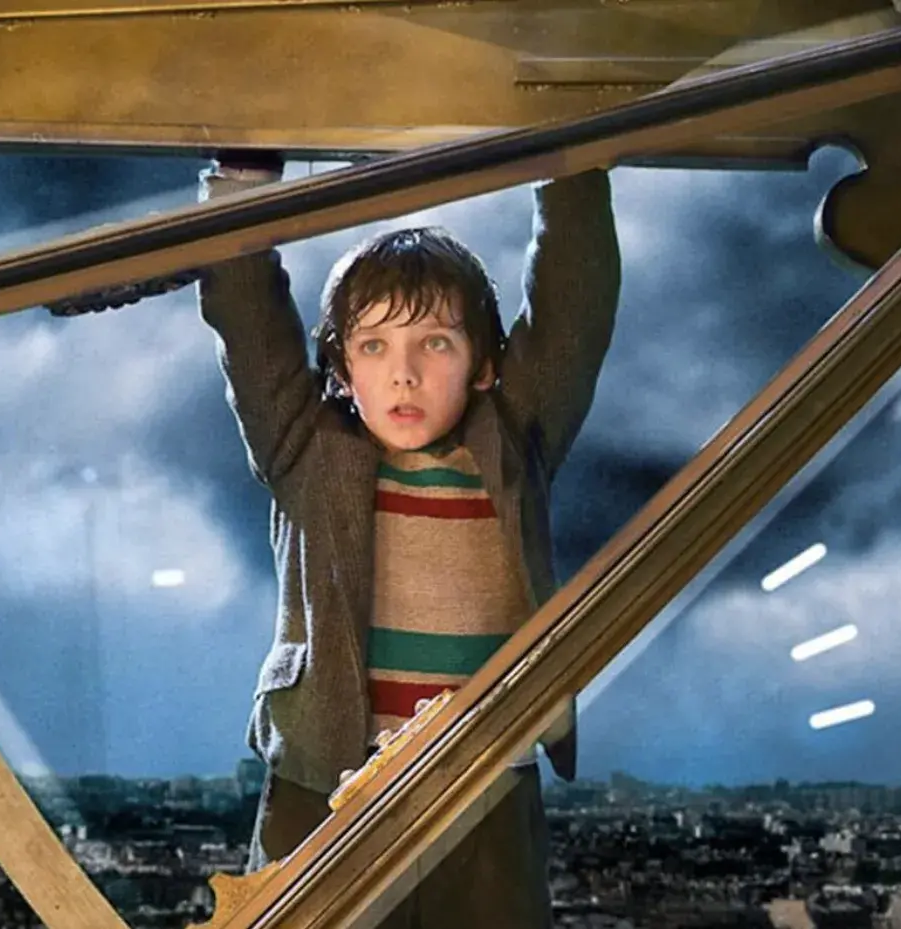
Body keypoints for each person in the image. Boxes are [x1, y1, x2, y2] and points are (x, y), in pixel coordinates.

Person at [197, 149, 621, 927]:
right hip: (326, 777)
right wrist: (242, 188)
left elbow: (574, 308)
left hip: (485, 778)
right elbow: (248, 326)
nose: (403, 375)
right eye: (373, 347)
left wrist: (571, 164)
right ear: (338, 369)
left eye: (434, 344)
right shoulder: (305, 449)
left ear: (484, 365)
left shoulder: (513, 440)